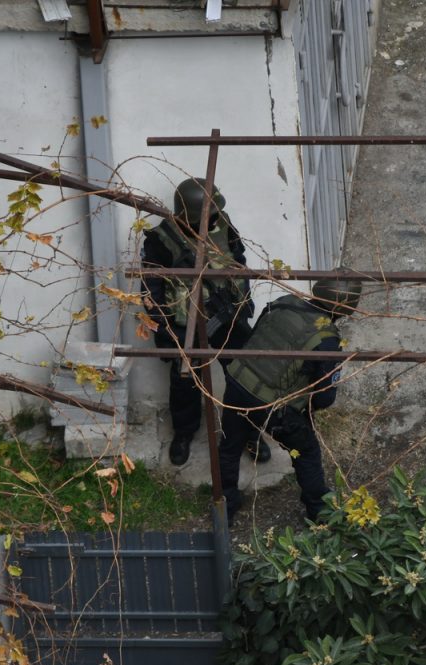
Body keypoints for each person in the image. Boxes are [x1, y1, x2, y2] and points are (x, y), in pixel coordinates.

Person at [141, 177, 271, 466]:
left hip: (224, 316)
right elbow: (152, 288)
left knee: (245, 372)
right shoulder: (162, 240)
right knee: (184, 379)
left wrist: (241, 301)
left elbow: (238, 262)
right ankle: (185, 433)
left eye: (215, 213)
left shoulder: (223, 225)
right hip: (186, 324)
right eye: (208, 215)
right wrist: (166, 327)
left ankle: (251, 431)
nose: (214, 218)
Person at [218, 277, 362, 524]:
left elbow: (254, 340)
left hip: (238, 385)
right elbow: (325, 398)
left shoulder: (283, 302)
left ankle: (225, 507)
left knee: (229, 446)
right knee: (306, 451)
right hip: (272, 408)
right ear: (347, 309)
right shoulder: (327, 338)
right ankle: (319, 511)